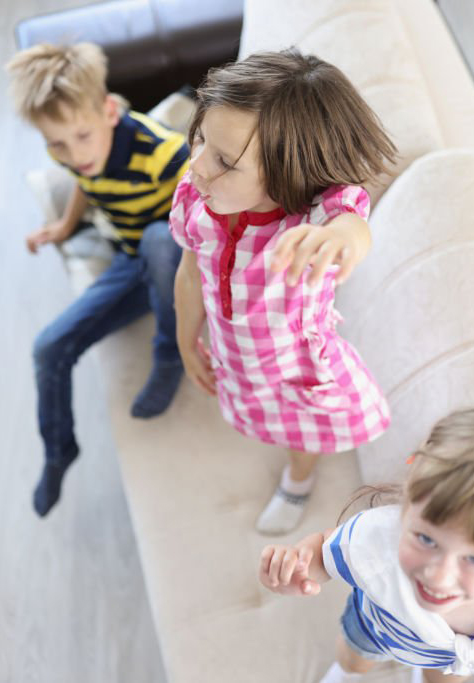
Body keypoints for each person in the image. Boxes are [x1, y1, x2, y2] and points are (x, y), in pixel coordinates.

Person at [170, 49, 396, 535]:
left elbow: (351, 222)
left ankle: (298, 478)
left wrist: (341, 239)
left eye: (225, 162)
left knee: (301, 428)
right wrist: (185, 338)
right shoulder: (194, 195)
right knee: (262, 415)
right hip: (236, 353)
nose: (199, 166)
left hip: (296, 363)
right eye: (202, 139)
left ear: (290, 170)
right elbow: (190, 273)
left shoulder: (311, 214)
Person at [259, 407, 474, 683]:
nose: (437, 574)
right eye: (425, 539)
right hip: (375, 628)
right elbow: (324, 552)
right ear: (407, 507)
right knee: (353, 659)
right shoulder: (375, 538)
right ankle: (346, 673)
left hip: (452, 659)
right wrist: (298, 570)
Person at [6, 43, 189, 517]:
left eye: (82, 137)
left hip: (181, 261)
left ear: (110, 111)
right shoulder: (74, 152)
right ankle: (58, 451)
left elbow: (211, 220)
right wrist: (65, 227)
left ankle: (171, 356)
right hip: (131, 261)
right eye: (58, 145)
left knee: (157, 239)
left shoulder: (167, 156)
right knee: (49, 347)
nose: (73, 155)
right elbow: (88, 183)